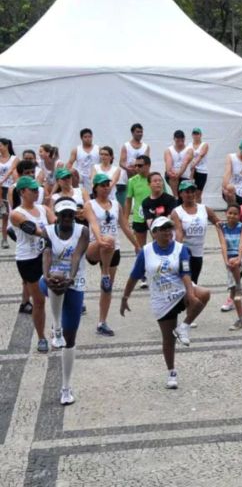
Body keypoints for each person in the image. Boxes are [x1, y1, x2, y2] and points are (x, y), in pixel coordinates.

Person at [120, 216, 211, 389]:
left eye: (169, 228)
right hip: (161, 298)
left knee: (204, 295)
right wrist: (125, 297)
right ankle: (171, 371)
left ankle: (184, 326)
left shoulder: (180, 248)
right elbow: (134, 276)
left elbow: (185, 272)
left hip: (180, 290)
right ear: (154, 233)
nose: (167, 232)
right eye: (163, 229)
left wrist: (190, 294)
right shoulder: (145, 252)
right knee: (168, 339)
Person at [41, 198, 89, 404]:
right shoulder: (48, 231)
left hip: (75, 281)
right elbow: (47, 255)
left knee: (70, 340)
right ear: (57, 216)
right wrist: (47, 275)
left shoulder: (83, 231)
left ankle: (66, 387)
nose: (67, 218)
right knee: (56, 277)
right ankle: (56, 325)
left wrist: (71, 276)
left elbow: (77, 256)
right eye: (63, 215)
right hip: (51, 279)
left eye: (70, 214)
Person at [84, 173, 139, 337]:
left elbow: (124, 226)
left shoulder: (116, 205)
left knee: (107, 290)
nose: (106, 187)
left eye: (108, 184)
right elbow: (93, 223)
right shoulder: (90, 204)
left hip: (112, 249)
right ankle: (105, 273)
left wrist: (137, 245)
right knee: (108, 239)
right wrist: (100, 239)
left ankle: (102, 322)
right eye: (102, 185)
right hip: (95, 246)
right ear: (95, 188)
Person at [11, 176, 54, 352]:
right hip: (28, 259)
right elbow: (37, 231)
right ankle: (41, 337)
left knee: (58, 296)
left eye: (37, 189)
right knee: (39, 301)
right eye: (33, 190)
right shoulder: (16, 214)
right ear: (22, 192)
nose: (37, 192)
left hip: (46, 255)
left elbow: (56, 223)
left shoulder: (43, 208)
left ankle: (57, 330)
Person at [171, 180, 222, 287]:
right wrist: (177, 251)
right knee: (185, 280)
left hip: (198, 252)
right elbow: (178, 232)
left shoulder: (204, 209)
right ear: (181, 193)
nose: (190, 194)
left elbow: (218, 223)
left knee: (194, 281)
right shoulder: (177, 212)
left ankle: (190, 302)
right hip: (185, 252)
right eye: (187, 192)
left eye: (192, 191)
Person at [218, 203, 242, 330]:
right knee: (235, 293)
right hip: (230, 261)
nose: (232, 216)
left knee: (235, 288)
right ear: (226, 214)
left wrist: (239, 257)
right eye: (230, 213)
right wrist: (226, 261)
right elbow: (223, 245)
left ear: (239, 215)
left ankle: (239, 286)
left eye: (235, 213)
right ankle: (241, 319)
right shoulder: (221, 227)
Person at [124, 155, 153, 258]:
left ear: (148, 166)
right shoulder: (132, 181)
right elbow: (128, 201)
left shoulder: (155, 179)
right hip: (138, 217)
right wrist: (126, 219)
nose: (136, 168)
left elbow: (164, 197)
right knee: (140, 246)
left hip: (154, 216)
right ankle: (140, 266)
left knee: (159, 243)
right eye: (135, 165)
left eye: (140, 165)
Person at [164, 130, 193, 196]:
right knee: (173, 177)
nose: (180, 143)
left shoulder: (189, 150)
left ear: (184, 139)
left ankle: (178, 198)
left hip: (185, 175)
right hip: (172, 175)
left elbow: (185, 162)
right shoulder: (168, 150)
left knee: (185, 194)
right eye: (178, 141)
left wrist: (179, 173)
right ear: (174, 139)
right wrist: (170, 172)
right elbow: (168, 163)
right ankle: (175, 196)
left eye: (182, 141)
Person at [188, 128, 210, 203]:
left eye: (197, 134)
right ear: (192, 135)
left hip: (201, 171)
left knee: (198, 193)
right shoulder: (189, 145)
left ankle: (198, 209)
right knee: (190, 192)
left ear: (200, 135)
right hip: (191, 171)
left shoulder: (204, 145)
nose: (196, 135)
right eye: (194, 134)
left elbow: (201, 155)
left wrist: (194, 164)